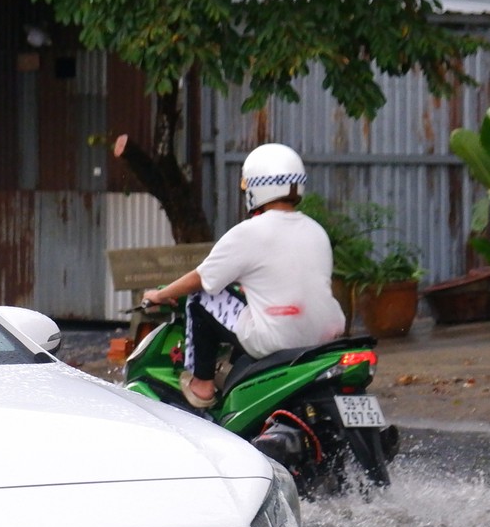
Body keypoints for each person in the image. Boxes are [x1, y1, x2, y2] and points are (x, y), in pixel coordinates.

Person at [141, 143, 344, 410]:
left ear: (256, 188)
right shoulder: (316, 231)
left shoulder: (250, 231)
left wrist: (160, 294)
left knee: (199, 298)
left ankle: (201, 385)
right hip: (326, 336)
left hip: (277, 338)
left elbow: (202, 278)